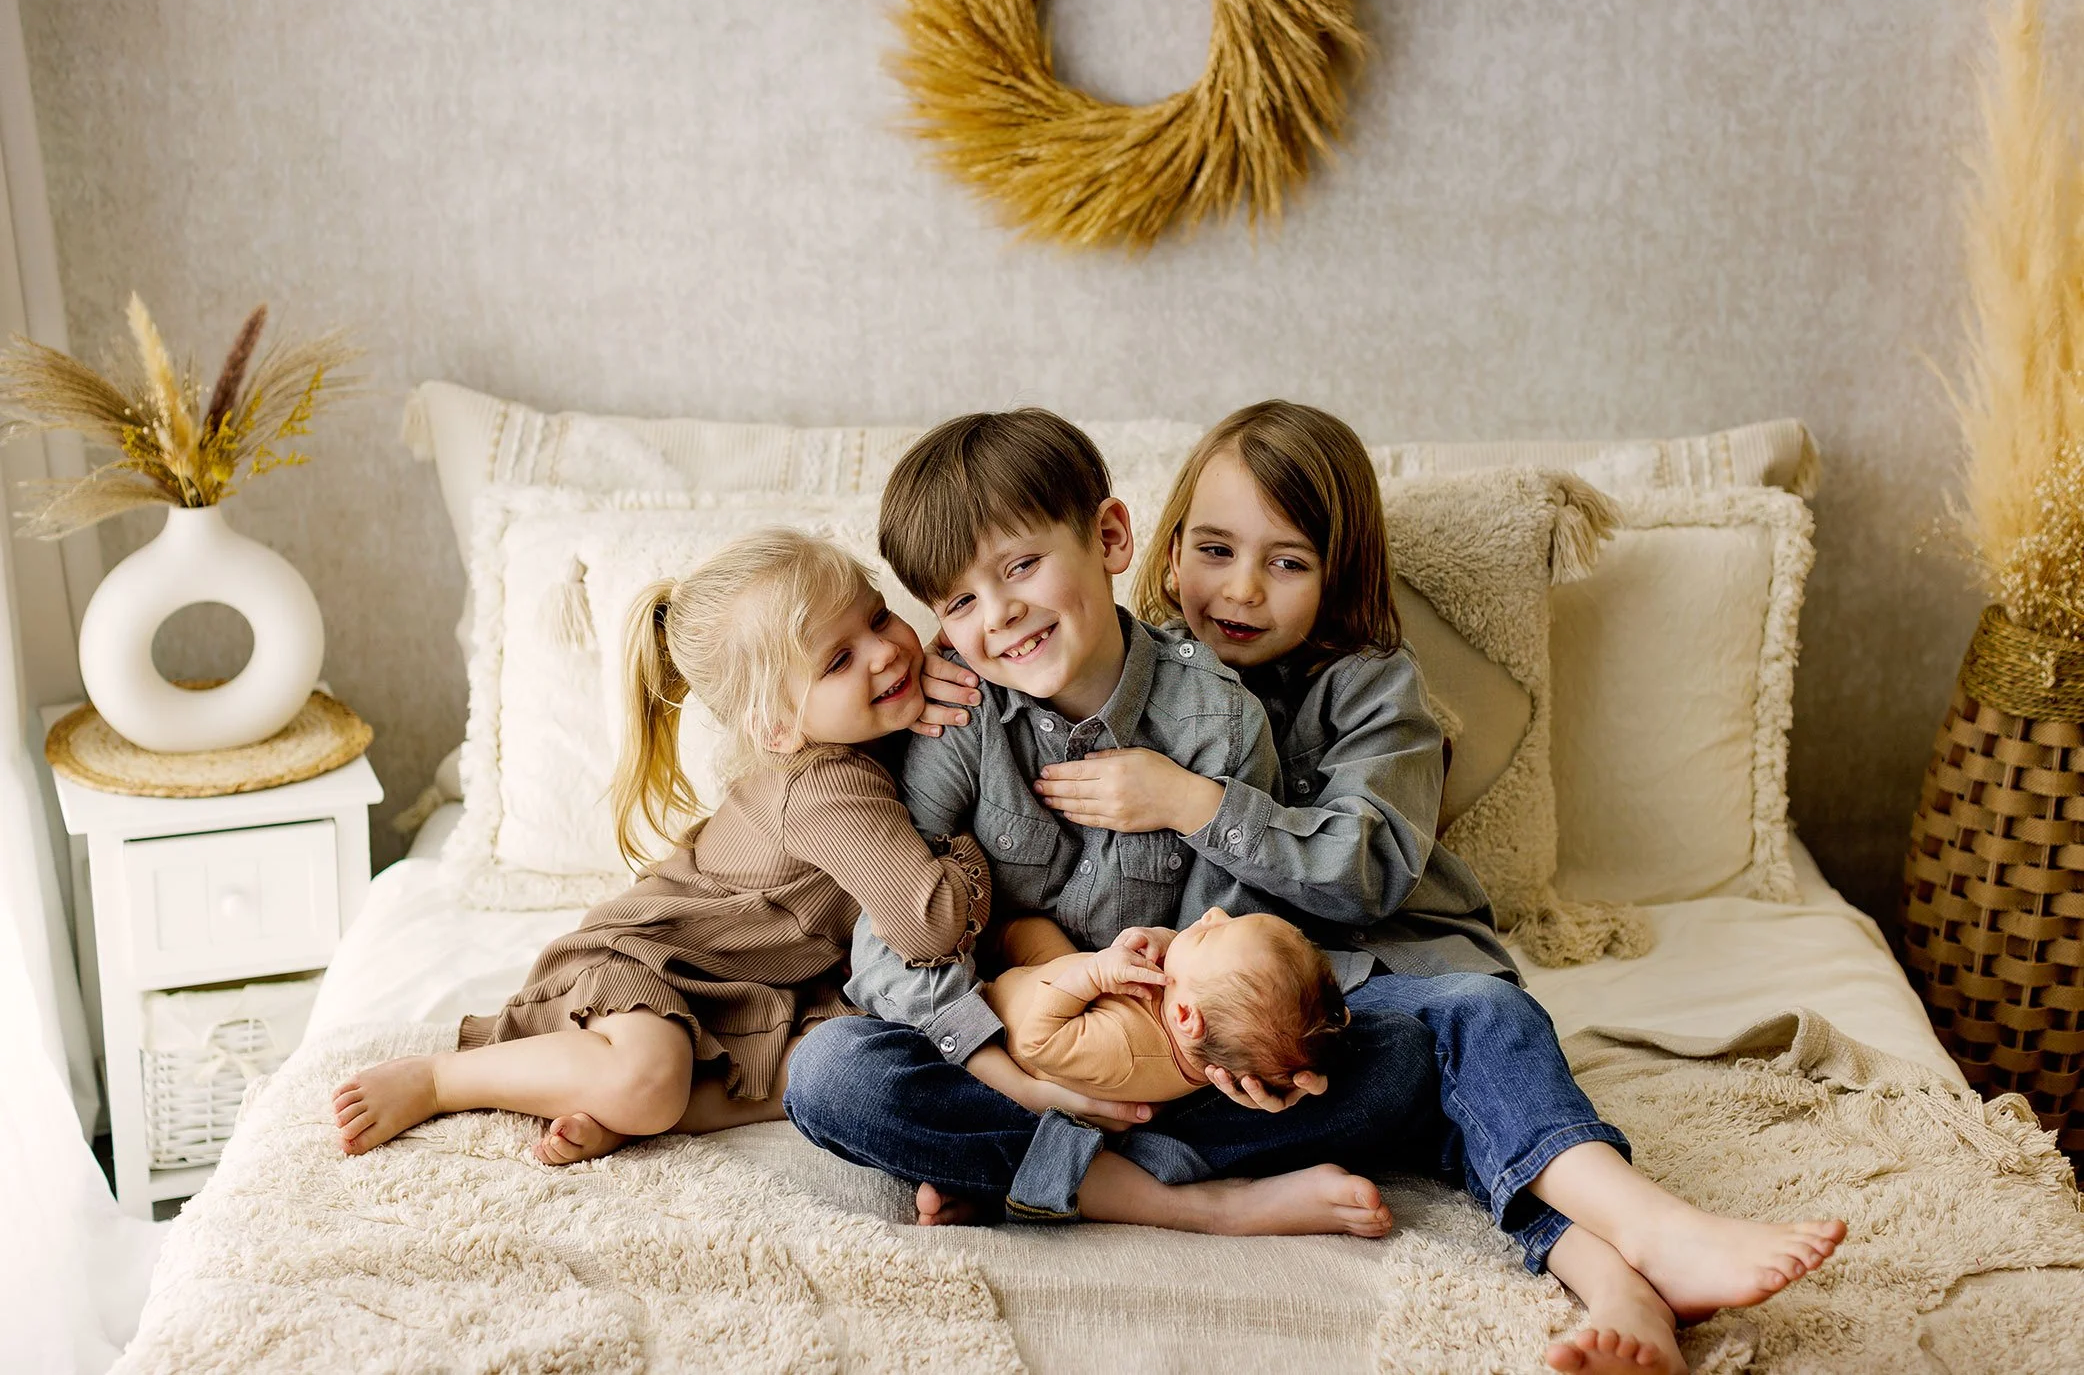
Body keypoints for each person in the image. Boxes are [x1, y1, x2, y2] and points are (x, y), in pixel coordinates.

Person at [1022, 399, 1843, 1375]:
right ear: (1162, 554)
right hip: (1261, 1042)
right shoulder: (1138, 672)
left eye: (1286, 561)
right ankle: (1631, 1274)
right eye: (1213, 548)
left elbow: (1362, 875)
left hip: (1388, 978)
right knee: (975, 1079)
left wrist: (1197, 802)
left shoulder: (1375, 689)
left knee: (1473, 1028)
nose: (1241, 587)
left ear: (1339, 576)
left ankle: (1639, 1254)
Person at [785, 408, 1440, 1239]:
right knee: (831, 1074)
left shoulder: (1221, 723)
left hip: (1159, 1063)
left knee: (1401, 1063)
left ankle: (1020, 1170)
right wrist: (1011, 1069)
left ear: (1111, 537)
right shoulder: (955, 712)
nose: (999, 616)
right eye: (958, 601)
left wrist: (1204, 1048)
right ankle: (1175, 1196)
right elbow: (893, 934)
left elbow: (1223, 942)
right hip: (1002, 1044)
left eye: (1021, 566)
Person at [330, 528, 1003, 1165]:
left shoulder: (867, 732)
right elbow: (928, 924)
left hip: (762, 992)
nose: (885, 651)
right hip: (655, 965)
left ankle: (617, 1107)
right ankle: (444, 1080)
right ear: (774, 727)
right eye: (838, 659)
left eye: (880, 617)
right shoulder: (825, 785)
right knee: (650, 1080)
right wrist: (966, 817)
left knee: (852, 1057)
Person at [982, 907, 1348, 1103]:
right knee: (1035, 927)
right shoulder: (1207, 1039)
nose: (1214, 913)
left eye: (1209, 934)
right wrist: (1162, 940)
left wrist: (1092, 975)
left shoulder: (1124, 1052)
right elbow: (1194, 977)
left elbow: (1036, 1040)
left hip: (1007, 1008)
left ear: (1185, 1016)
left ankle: (978, 943)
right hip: (1063, 976)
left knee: (1013, 929)